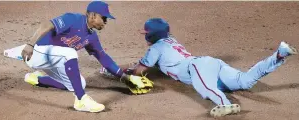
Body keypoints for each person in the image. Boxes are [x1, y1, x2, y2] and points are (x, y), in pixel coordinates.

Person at [100, 18, 298, 117]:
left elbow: (139, 71)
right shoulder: (171, 41)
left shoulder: (156, 48)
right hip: (210, 62)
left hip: (196, 66)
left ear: (151, 35)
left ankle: (224, 103)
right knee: (244, 81)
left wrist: (117, 73)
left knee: (205, 88)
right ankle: (279, 54)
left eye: (146, 33)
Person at [20, 1, 153, 113]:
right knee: (71, 54)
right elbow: (46, 25)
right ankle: (81, 100)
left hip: (55, 59)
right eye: (104, 18)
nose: (105, 22)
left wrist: (125, 78)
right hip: (37, 52)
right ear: (93, 15)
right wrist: (30, 44)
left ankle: (36, 79)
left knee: (79, 83)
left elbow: (103, 58)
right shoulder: (73, 19)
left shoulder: (91, 37)